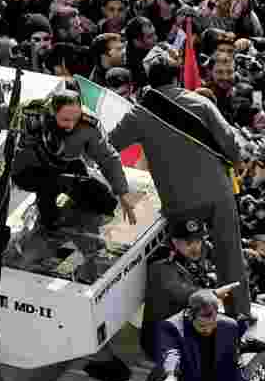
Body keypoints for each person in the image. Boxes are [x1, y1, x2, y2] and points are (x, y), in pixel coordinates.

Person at [108, 46, 251, 319]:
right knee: (230, 258)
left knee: (183, 262)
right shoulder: (201, 103)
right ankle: (240, 314)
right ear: (177, 78)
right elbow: (232, 147)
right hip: (219, 192)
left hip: (180, 201)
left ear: (149, 79)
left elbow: (109, 146)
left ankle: (193, 317)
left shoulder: (139, 114)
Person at [0, 89, 137, 230]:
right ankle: (46, 218)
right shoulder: (29, 113)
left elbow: (107, 157)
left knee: (104, 202)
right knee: (52, 198)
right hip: (29, 168)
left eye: (75, 118)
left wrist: (122, 191)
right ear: (51, 112)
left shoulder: (89, 124)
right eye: (65, 119)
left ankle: (73, 208)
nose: (71, 125)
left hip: (66, 162)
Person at [142, 218, 237, 360]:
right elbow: (181, 293)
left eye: (198, 241)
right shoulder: (161, 266)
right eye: (188, 243)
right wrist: (213, 293)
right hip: (163, 342)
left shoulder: (188, 259)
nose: (195, 247)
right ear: (174, 242)